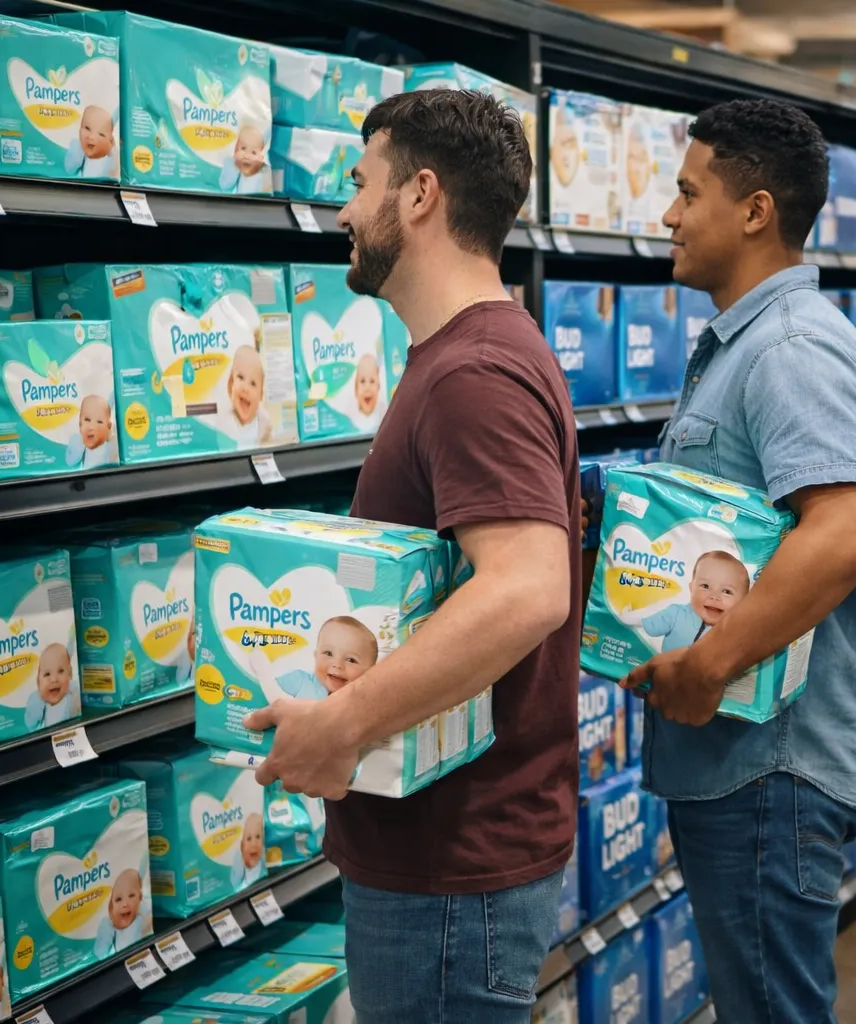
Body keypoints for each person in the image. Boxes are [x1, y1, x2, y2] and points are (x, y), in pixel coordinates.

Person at [245, 88, 580, 1024]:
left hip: (451, 867)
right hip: (446, 856)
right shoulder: (468, 353)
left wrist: (345, 722)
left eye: (360, 184)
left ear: (421, 195)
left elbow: (526, 590)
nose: (345, 211)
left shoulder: (472, 373)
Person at [622, 98, 856, 1022]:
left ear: (755, 211)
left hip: (767, 768)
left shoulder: (788, 348)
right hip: (744, 769)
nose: (668, 214)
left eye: (687, 192)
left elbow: (846, 531)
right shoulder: (750, 346)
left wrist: (709, 664)